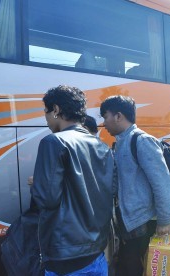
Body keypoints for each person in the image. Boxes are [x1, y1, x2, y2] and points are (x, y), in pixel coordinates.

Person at [31, 85, 114, 275]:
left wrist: (36, 183)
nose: (46, 118)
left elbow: (46, 198)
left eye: (46, 111)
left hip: (65, 255)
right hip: (96, 253)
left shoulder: (53, 142)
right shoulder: (102, 146)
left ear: (56, 110)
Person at [100, 95, 170, 276]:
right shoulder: (120, 142)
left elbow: (162, 182)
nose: (104, 123)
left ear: (118, 116)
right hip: (127, 219)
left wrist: (165, 220)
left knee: (139, 266)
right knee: (130, 265)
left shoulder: (141, 140)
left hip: (142, 221)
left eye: (105, 116)